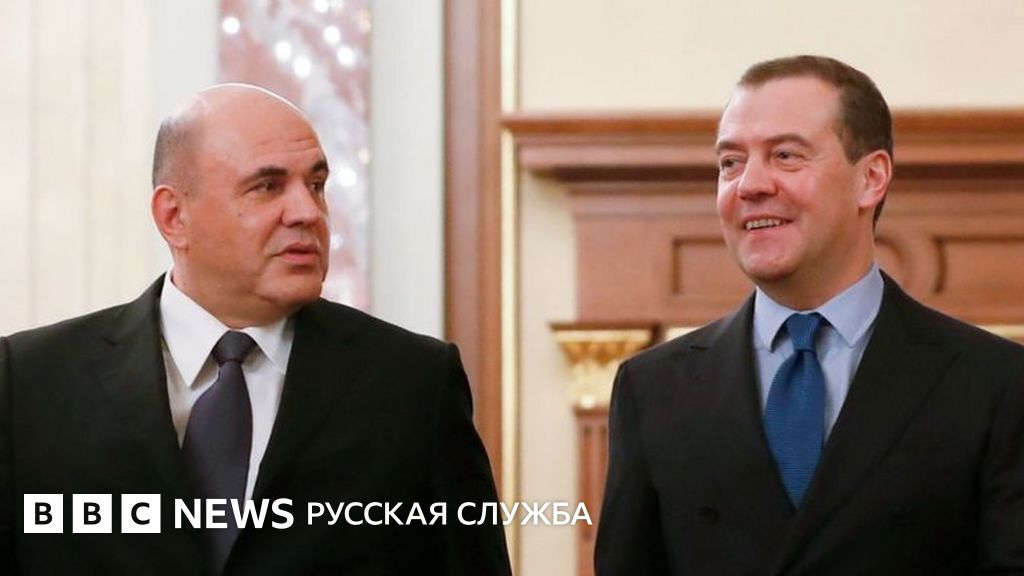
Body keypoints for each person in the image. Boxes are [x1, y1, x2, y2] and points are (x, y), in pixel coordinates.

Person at [0, 84, 511, 575]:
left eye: (316, 185)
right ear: (174, 216)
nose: (307, 212)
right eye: (267, 186)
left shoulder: (413, 385)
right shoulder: (28, 382)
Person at [595, 55, 1024, 575]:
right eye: (730, 162)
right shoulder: (651, 389)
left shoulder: (997, 384)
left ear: (871, 178)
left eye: (785, 156)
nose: (749, 184)